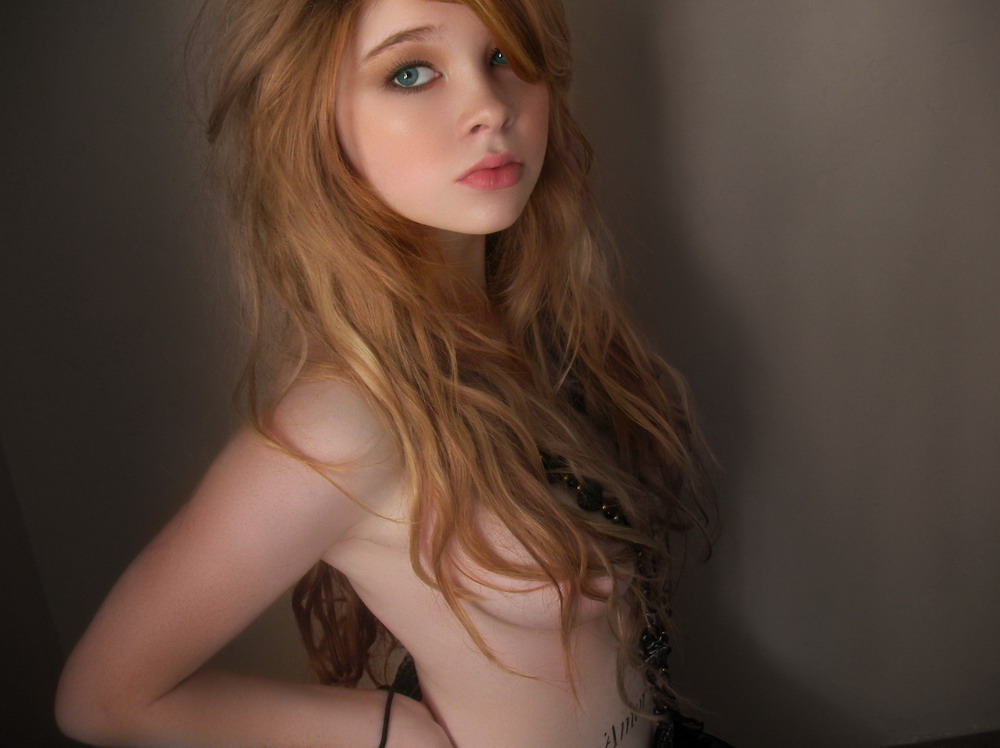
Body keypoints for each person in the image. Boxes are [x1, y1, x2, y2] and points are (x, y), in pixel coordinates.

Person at [55, 0, 721, 746]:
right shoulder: (343, 423)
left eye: (503, 56)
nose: (491, 107)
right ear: (318, 125)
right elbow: (103, 699)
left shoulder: (534, 328)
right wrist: (396, 734)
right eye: (410, 72)